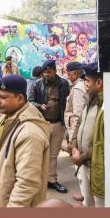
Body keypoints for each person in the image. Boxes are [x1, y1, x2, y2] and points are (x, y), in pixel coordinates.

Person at [0, 74, 49, 207]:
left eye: (3, 97)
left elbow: (27, 184)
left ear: (20, 99)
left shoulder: (29, 134)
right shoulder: (10, 116)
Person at [28, 59, 70, 193]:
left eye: (49, 72)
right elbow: (30, 101)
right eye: (44, 72)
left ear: (55, 71)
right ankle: (37, 181)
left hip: (58, 124)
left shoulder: (64, 84)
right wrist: (40, 106)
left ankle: (51, 180)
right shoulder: (37, 84)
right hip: (42, 123)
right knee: (39, 153)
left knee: (53, 155)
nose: (46, 75)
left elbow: (69, 102)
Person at [72, 63, 104, 207]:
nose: (85, 85)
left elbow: (103, 142)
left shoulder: (104, 105)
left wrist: (82, 156)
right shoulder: (89, 99)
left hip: (96, 167)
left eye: (88, 81)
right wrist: (73, 146)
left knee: (99, 205)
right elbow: (79, 122)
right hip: (83, 163)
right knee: (87, 203)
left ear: (98, 83)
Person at [63, 61, 89, 202]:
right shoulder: (81, 85)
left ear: (75, 73)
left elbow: (77, 116)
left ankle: (85, 198)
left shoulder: (79, 88)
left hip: (78, 132)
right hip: (81, 130)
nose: (68, 75)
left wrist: (72, 140)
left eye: (69, 73)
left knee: (80, 166)